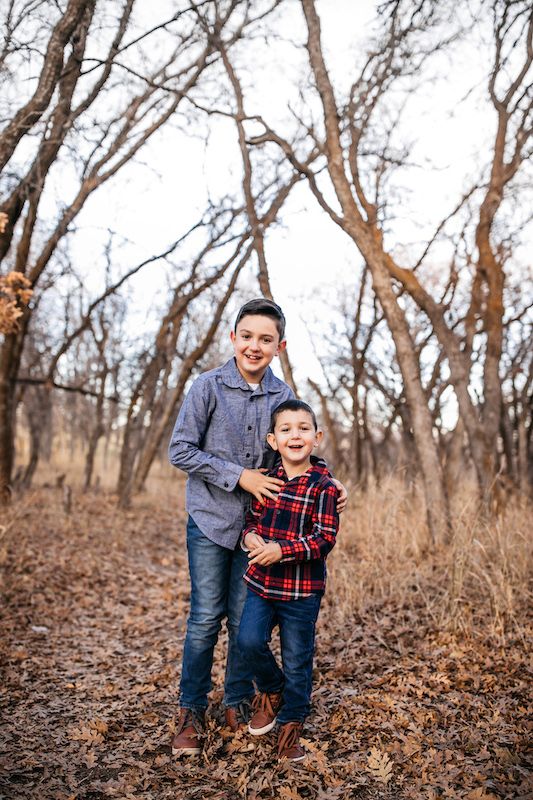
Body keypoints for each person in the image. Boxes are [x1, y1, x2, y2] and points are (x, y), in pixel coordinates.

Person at [168, 299, 346, 758]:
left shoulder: (282, 393)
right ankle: (191, 710)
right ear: (233, 338)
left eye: (266, 339)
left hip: (262, 530)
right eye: (247, 336)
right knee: (205, 618)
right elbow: (180, 449)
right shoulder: (207, 387)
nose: (254, 346)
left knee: (243, 620)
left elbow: (294, 443)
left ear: (279, 347)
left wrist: (328, 478)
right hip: (211, 519)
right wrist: (239, 476)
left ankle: (237, 700)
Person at [237, 399, 339, 762]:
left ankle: (292, 721)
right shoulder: (267, 480)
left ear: (317, 437)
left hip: (302, 590)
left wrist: (282, 550)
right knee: (248, 640)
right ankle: (272, 688)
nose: (295, 435)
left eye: (303, 428)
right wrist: (250, 537)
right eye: (286, 429)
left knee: (297, 660)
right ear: (273, 440)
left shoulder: (324, 486)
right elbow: (251, 521)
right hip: (262, 584)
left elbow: (324, 538)